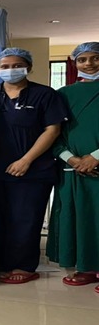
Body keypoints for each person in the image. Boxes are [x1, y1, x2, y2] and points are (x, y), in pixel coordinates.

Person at [0, 47, 68, 284]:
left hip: (33, 170)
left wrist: (26, 160)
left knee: (25, 219)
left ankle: (24, 266)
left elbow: (52, 130)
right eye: (5, 66)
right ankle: (0, 262)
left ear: (29, 67)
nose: (10, 70)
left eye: (17, 65)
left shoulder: (45, 95)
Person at [46, 42, 99, 291]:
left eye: (95, 58)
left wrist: (95, 157)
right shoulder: (62, 94)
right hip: (73, 169)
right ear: (74, 62)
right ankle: (86, 266)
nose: (89, 64)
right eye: (82, 59)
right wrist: (72, 159)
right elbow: (53, 133)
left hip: (94, 164)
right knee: (80, 217)